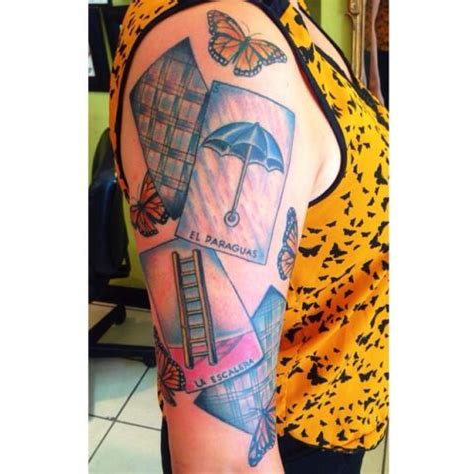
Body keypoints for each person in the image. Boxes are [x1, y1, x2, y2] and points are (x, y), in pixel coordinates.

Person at [109, 0, 389, 472]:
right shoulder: (235, 62)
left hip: (329, 406)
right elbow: (224, 461)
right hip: (292, 439)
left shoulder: (282, 18)